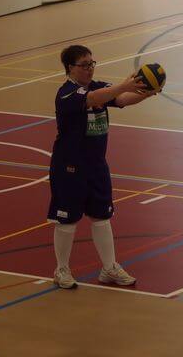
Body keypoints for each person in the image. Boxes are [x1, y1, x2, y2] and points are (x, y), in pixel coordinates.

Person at [48, 45, 156, 288]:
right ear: (70, 68)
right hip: (69, 167)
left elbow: (122, 99)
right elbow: (94, 99)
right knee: (67, 220)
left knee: (102, 216)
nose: (90, 69)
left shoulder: (98, 86)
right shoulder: (66, 94)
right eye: (84, 65)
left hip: (96, 165)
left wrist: (148, 92)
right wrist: (123, 86)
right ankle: (62, 270)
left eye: (92, 63)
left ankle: (109, 268)